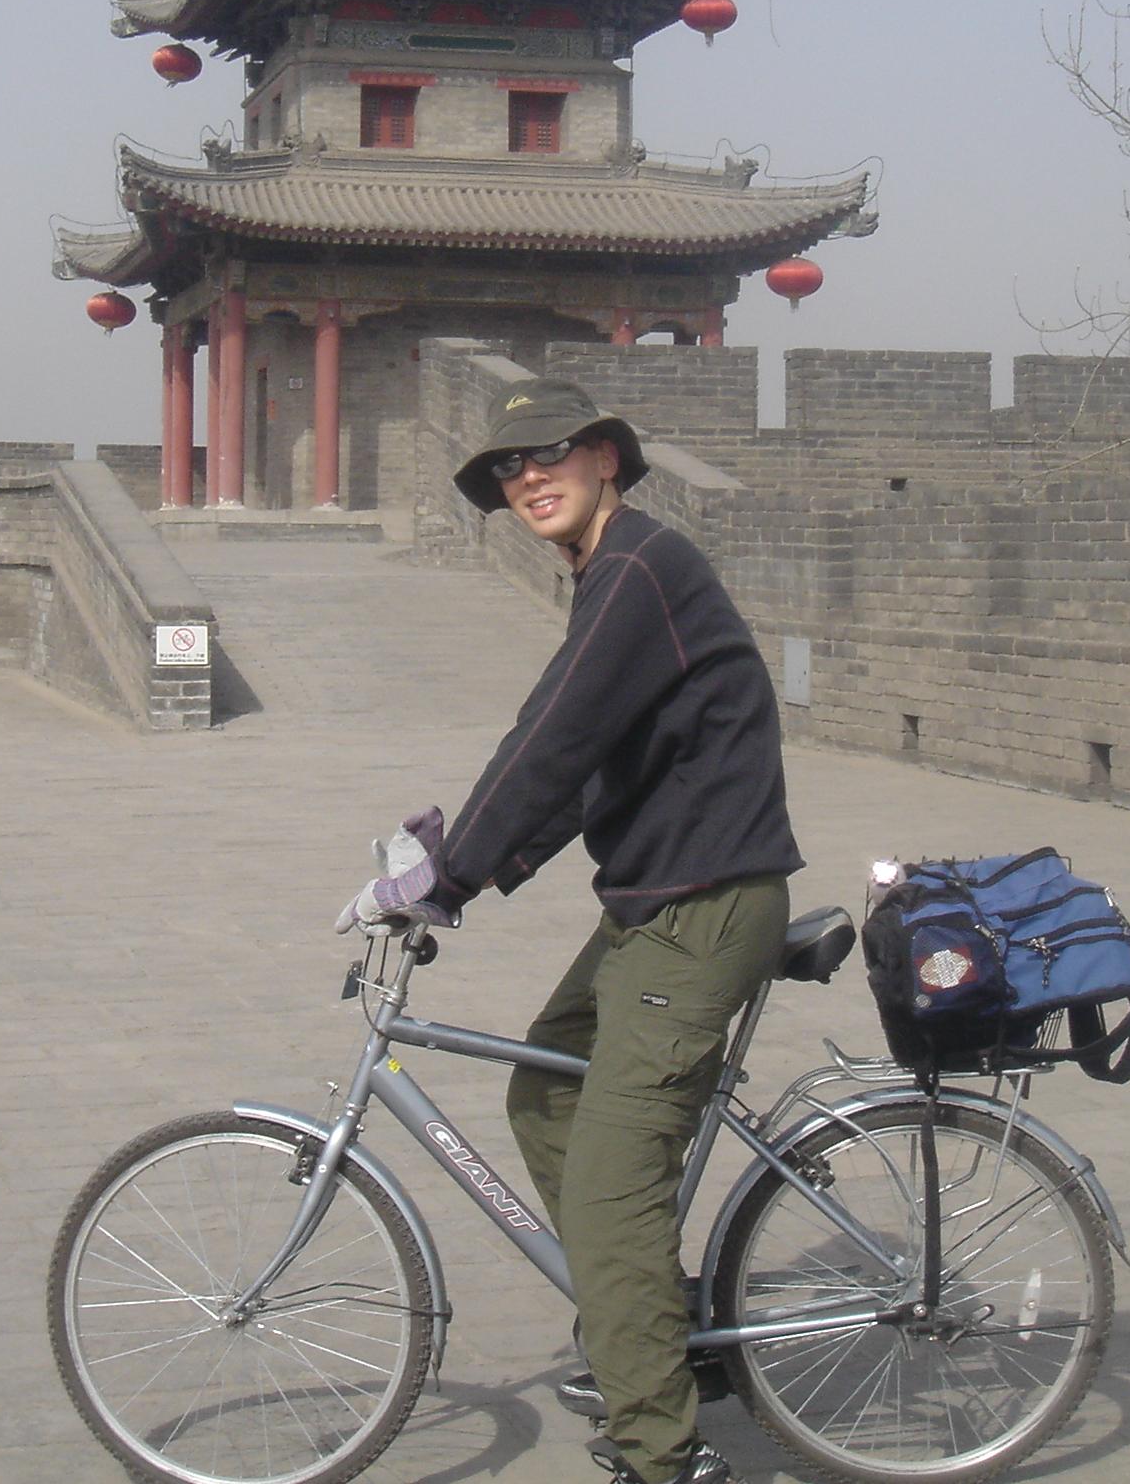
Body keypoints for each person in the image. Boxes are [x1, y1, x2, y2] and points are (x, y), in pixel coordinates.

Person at [337, 377, 801, 1484]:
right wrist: (458, 871)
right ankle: (664, 1321)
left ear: (606, 458)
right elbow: (585, 768)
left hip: (705, 906)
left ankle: (660, 1452)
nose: (527, 478)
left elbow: (551, 732)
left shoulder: (642, 568)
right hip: (658, 906)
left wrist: (447, 871)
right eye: (508, 468)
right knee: (545, 1089)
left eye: (549, 455)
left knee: (608, 1186)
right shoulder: (616, 578)